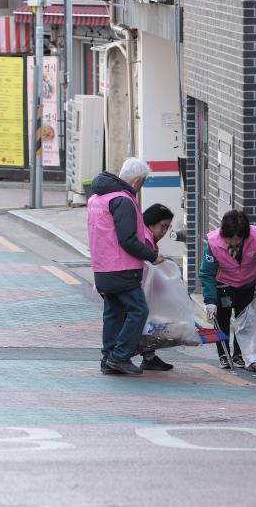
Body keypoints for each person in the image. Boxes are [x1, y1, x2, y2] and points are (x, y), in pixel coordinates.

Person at [87, 158, 164, 375]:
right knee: (139, 310)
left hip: (102, 267)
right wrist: (152, 255)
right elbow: (127, 239)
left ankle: (108, 359)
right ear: (138, 180)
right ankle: (119, 356)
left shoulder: (96, 198)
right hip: (122, 268)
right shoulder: (123, 201)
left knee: (113, 312)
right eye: (143, 183)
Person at [199, 210, 256, 369]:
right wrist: (210, 301)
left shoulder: (255, 237)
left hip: (246, 284)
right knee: (222, 321)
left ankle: (238, 354)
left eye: (238, 239)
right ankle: (224, 354)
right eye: (230, 239)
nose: (234, 242)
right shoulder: (213, 243)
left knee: (244, 320)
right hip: (223, 285)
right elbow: (207, 273)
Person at [137, 203, 175, 372]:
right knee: (137, 318)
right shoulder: (144, 239)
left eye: (168, 227)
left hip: (132, 284)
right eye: (163, 226)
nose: (165, 231)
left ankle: (149, 357)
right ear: (151, 224)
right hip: (127, 284)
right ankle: (119, 356)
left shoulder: (149, 238)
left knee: (145, 319)